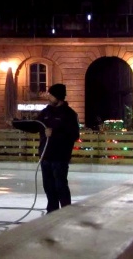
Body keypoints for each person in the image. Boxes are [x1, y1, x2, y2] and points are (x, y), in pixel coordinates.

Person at [36, 83, 80, 214]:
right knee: (48, 187)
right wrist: (16, 123)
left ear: (58, 97)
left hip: (60, 157)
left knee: (60, 185)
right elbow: (35, 125)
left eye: (51, 95)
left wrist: (54, 132)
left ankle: (66, 212)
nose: (48, 97)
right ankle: (52, 211)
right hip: (46, 156)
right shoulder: (45, 112)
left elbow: (74, 135)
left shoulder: (70, 114)